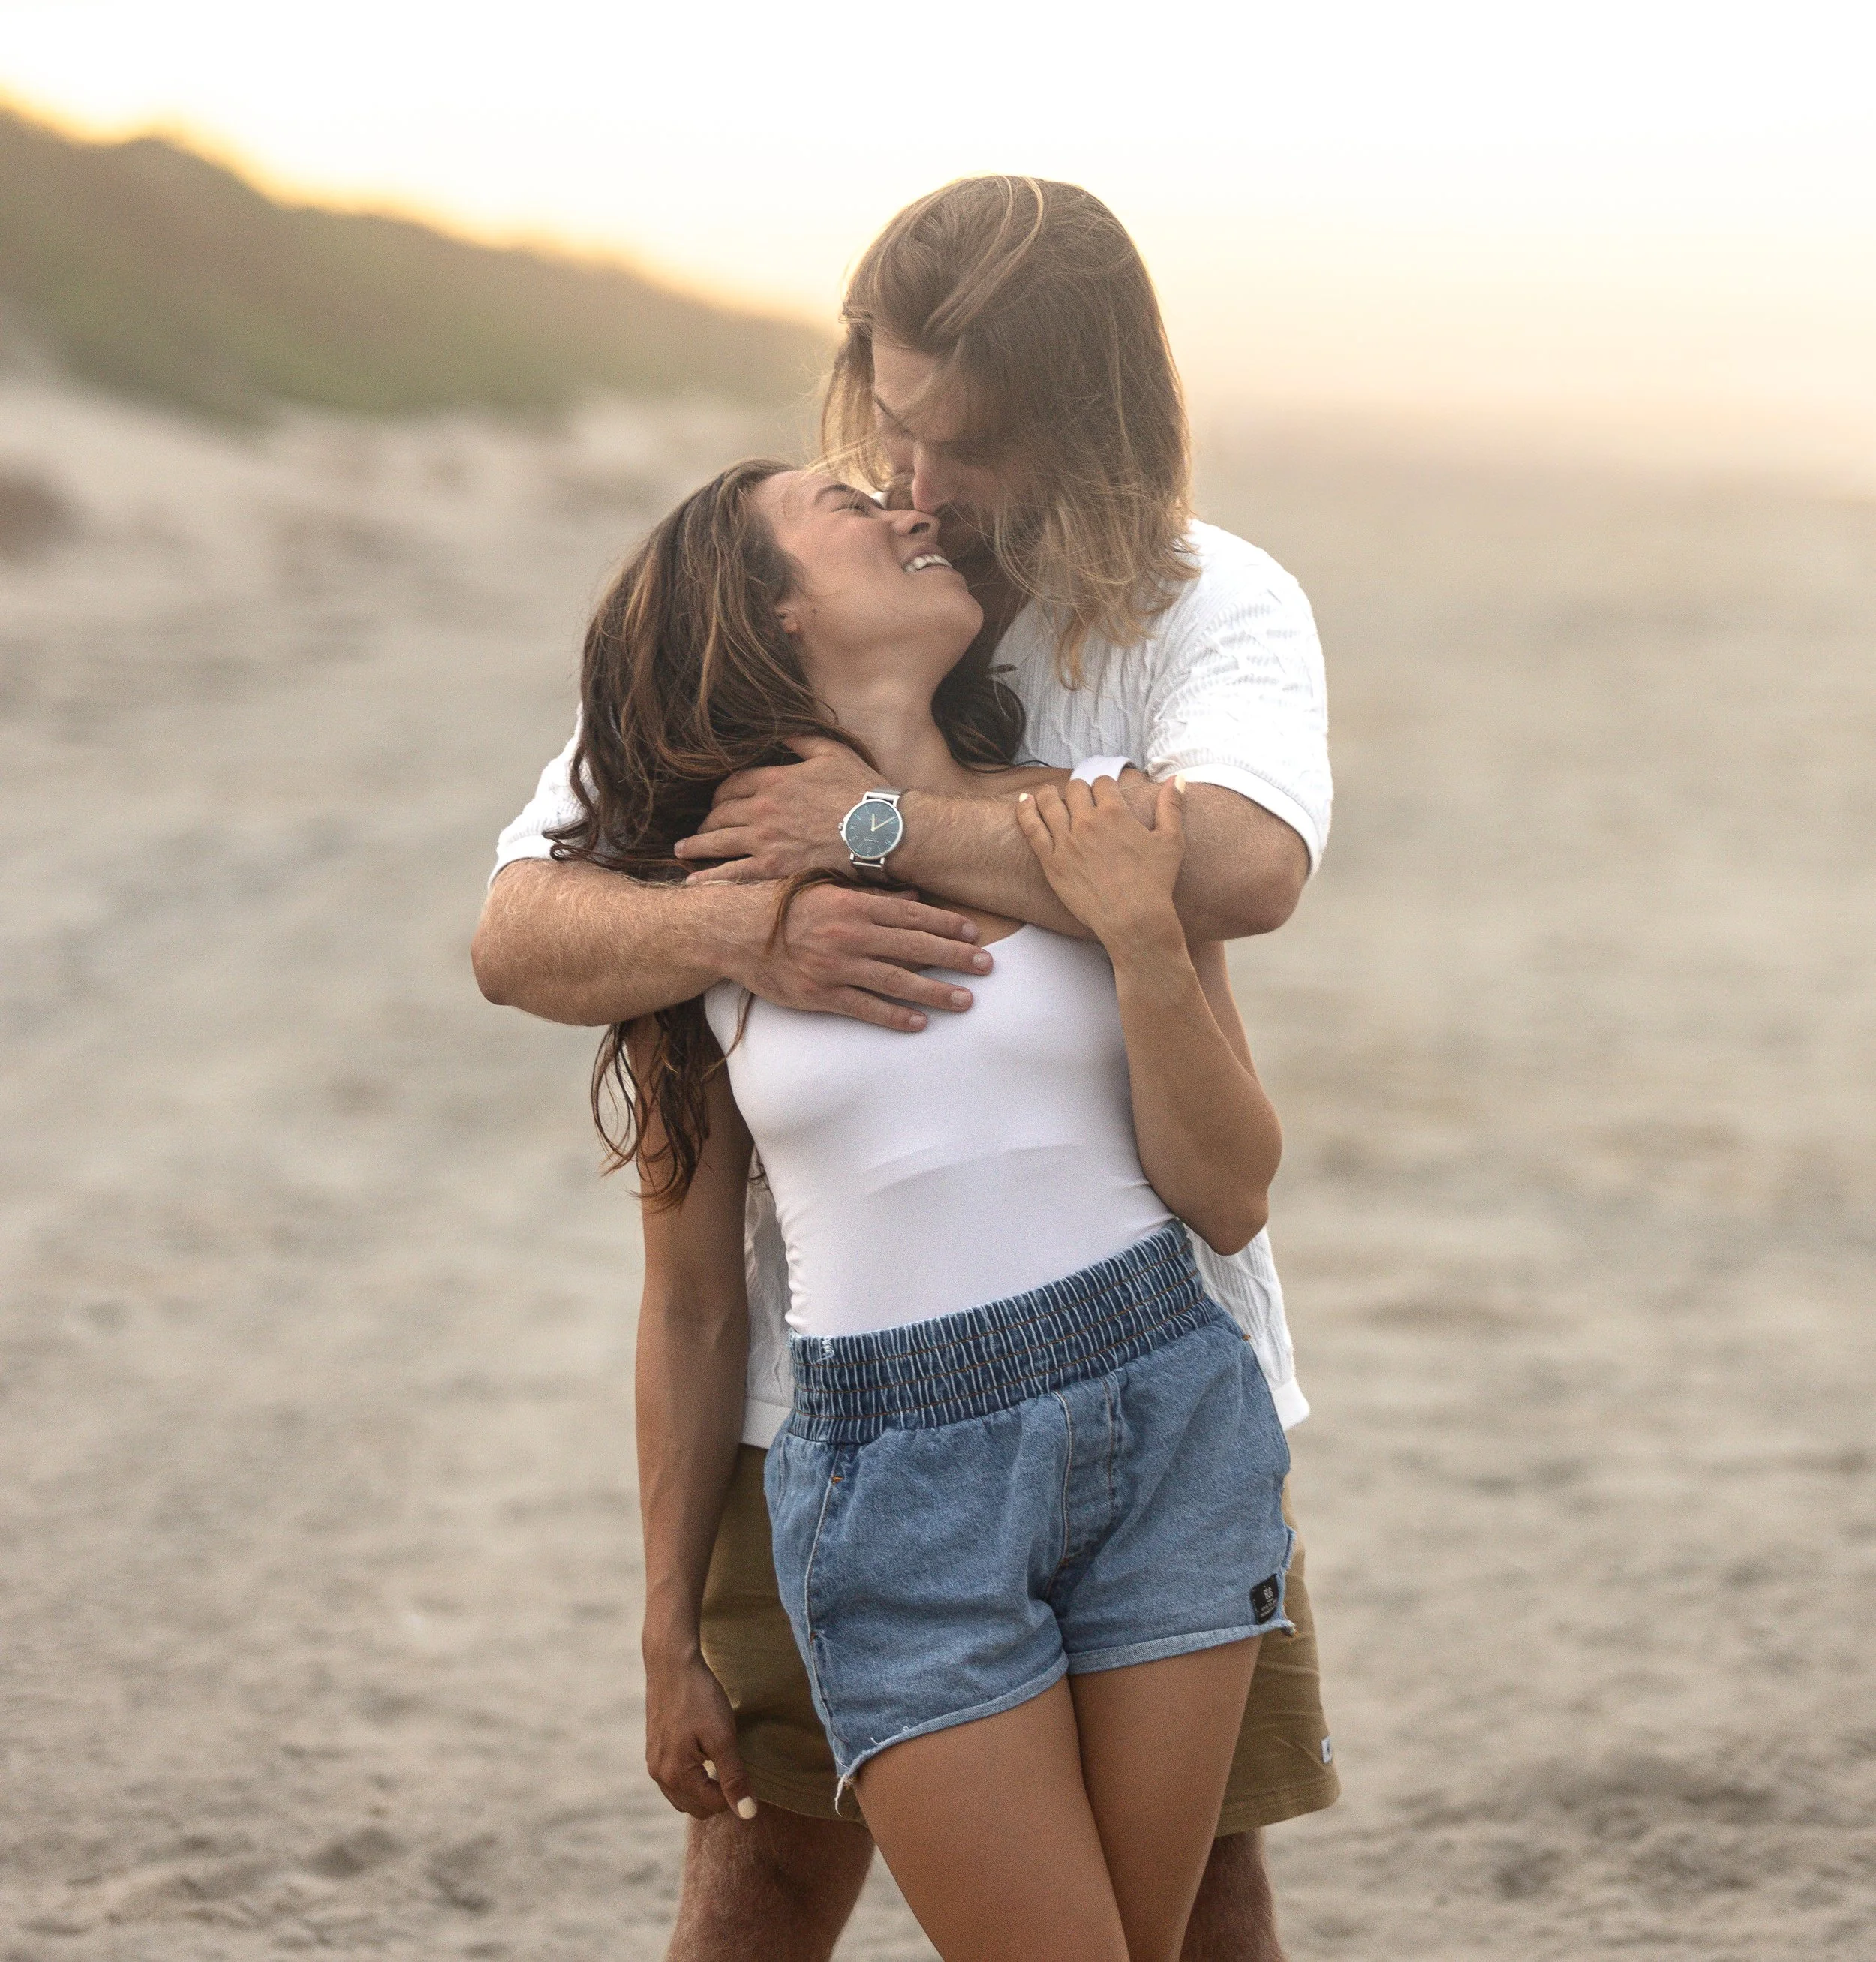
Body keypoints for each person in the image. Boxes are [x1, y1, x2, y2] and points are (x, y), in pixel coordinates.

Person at [473, 176, 1339, 1962]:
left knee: (1212, 1896)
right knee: (771, 1873)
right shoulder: (716, 741)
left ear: (1092, 428)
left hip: (1169, 1377)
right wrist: (748, 928)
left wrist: (882, 827)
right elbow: (517, 936)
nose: (915, 487)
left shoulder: (1195, 607)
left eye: (969, 446)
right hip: (841, 1425)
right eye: (886, 428)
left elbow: (1239, 872)